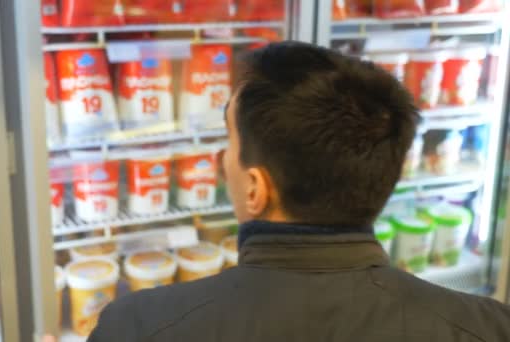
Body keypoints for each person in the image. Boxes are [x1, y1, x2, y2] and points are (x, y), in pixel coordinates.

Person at [87, 41, 510, 341]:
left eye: (229, 140)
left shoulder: (136, 326)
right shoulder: (486, 326)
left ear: (256, 188)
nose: (221, 158)